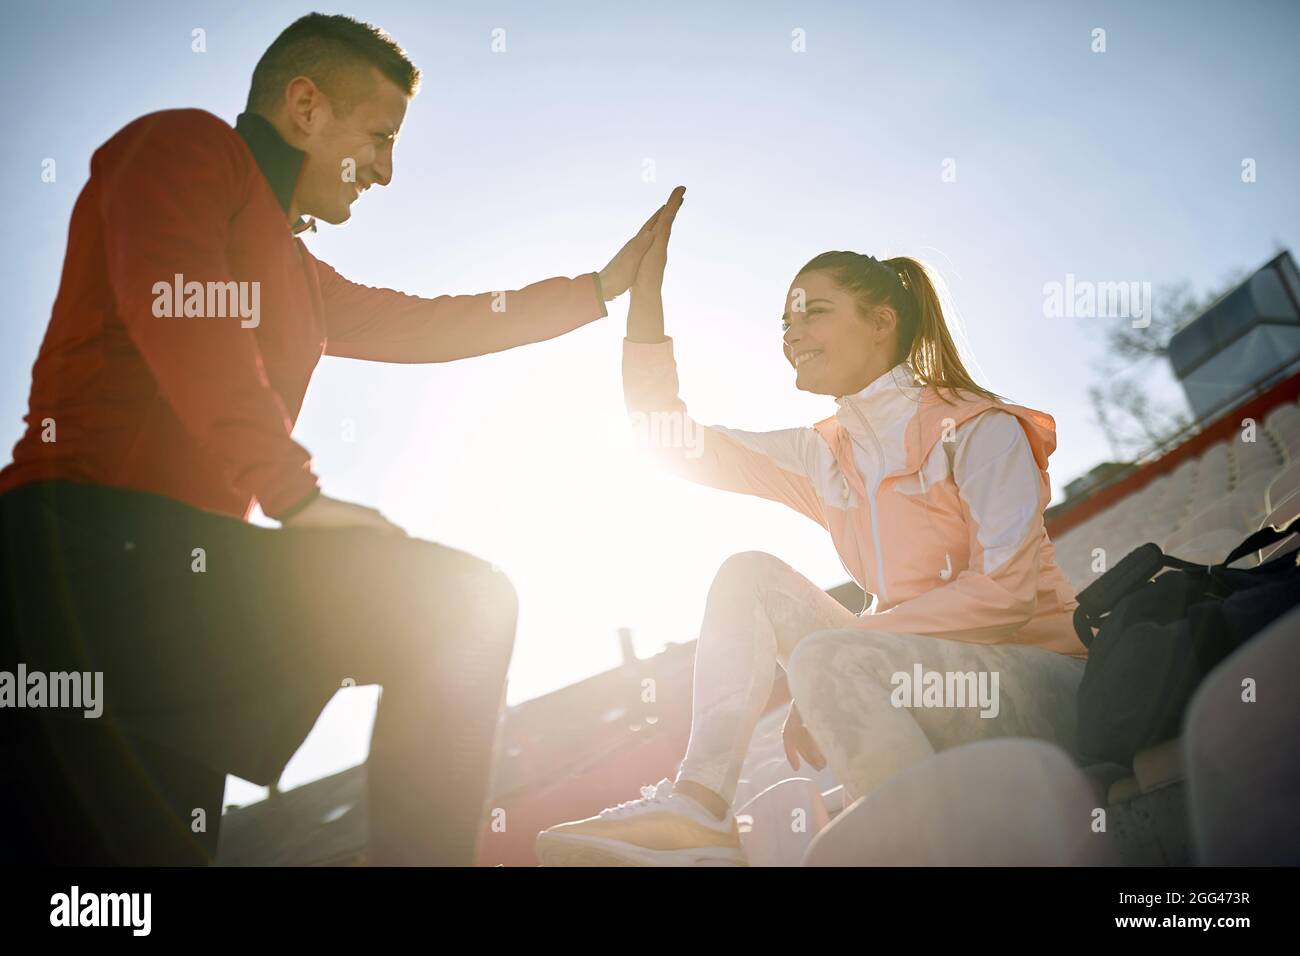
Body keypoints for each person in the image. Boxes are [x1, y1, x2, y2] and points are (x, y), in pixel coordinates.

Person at [0, 13, 672, 865]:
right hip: (74, 561)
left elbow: (436, 325)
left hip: (162, 606)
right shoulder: (180, 148)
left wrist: (598, 288)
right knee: (451, 606)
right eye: (381, 137)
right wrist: (293, 493)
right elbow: (177, 303)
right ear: (306, 106)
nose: (387, 171)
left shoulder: (305, 281)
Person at [536, 186, 1090, 866]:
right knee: (748, 577)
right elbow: (668, 441)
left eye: (813, 312)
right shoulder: (823, 453)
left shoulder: (980, 429)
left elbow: (1005, 596)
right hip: (906, 678)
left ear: (881, 321)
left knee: (829, 655)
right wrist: (644, 297)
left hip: (1050, 687)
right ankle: (700, 805)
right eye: (783, 324)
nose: (791, 334)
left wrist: (840, 660)